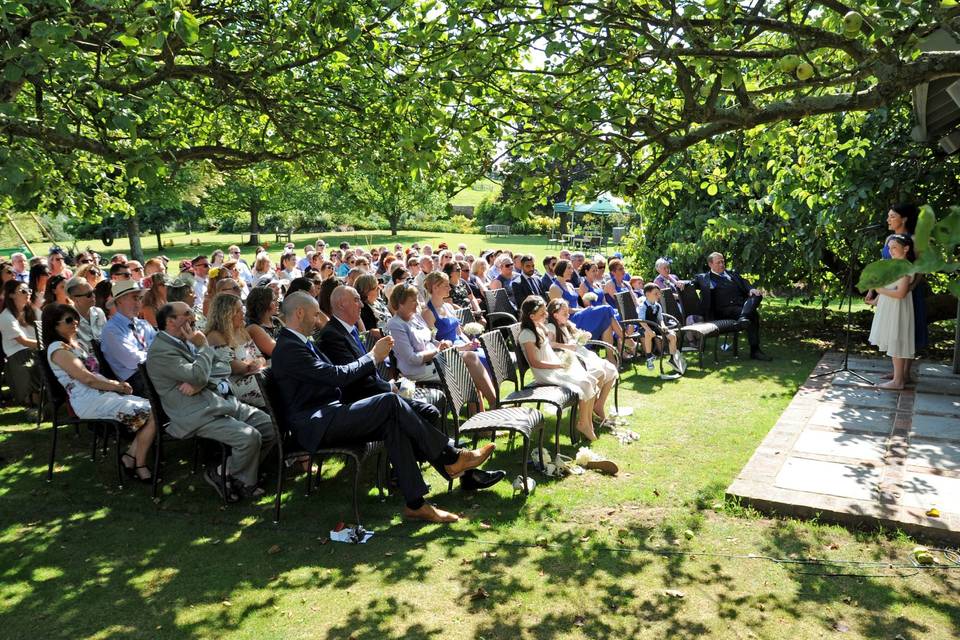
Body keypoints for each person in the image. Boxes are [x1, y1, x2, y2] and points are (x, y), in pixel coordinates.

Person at [271, 291, 495, 523]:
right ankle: (451, 457)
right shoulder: (289, 348)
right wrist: (372, 357)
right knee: (389, 402)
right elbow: (337, 376)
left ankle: (416, 504)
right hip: (314, 425)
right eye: (315, 314)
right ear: (299, 313)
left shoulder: (298, 343)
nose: (318, 319)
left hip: (328, 415)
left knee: (393, 422)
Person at [147, 302, 276, 501]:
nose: (194, 317)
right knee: (249, 438)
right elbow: (200, 373)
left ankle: (226, 473)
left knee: (269, 427)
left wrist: (200, 379)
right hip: (195, 412)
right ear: (171, 321)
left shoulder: (186, 339)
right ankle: (244, 481)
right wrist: (204, 349)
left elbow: (223, 367)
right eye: (187, 313)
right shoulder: (162, 351)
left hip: (216, 401)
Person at [43, 303, 156, 481]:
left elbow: (95, 375)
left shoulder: (76, 344)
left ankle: (130, 457)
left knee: (154, 409)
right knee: (152, 412)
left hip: (102, 396)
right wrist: (117, 386)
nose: (75, 323)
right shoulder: (58, 349)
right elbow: (87, 379)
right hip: (88, 401)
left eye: (76, 318)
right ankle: (140, 464)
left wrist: (117, 384)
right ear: (54, 325)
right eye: (69, 320)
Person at [518, 296, 600, 441]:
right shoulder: (527, 334)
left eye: (545, 312)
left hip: (554, 366)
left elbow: (549, 346)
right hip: (545, 373)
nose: (546, 315)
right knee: (586, 383)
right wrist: (559, 365)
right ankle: (583, 424)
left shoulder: (539, 327)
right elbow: (535, 362)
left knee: (592, 379)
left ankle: (587, 423)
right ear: (531, 316)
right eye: (542, 314)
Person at [868, 204, 928, 383]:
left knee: (908, 330)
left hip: (909, 290)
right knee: (894, 329)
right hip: (890, 288)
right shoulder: (890, 238)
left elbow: (921, 269)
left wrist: (909, 288)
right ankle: (898, 373)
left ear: (904, 219)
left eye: (892, 216)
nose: (888, 219)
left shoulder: (915, 240)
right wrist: (875, 290)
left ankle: (904, 374)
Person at [546, 297, 617, 425]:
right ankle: (589, 410)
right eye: (565, 313)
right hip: (570, 357)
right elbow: (549, 344)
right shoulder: (551, 326)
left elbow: (579, 334)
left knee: (611, 369)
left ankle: (598, 405)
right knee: (599, 372)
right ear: (555, 315)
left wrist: (584, 335)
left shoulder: (566, 324)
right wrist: (567, 346)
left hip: (580, 353)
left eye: (568, 312)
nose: (568, 315)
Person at [692, 252, 771, 361]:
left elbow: (744, 282)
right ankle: (755, 351)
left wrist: (751, 289)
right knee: (753, 315)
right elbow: (691, 283)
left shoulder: (731, 274)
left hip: (741, 306)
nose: (721, 264)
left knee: (757, 295)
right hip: (722, 311)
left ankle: (743, 317)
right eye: (718, 262)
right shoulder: (704, 278)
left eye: (722, 261)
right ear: (710, 264)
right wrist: (681, 282)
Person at [548, 259, 626, 361]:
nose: (572, 270)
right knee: (606, 309)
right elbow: (561, 312)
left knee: (607, 319)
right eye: (569, 268)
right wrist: (582, 310)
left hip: (578, 314)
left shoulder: (570, 285)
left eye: (572, 268)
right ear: (561, 268)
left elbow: (576, 305)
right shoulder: (554, 288)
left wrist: (584, 309)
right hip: (569, 320)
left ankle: (611, 357)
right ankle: (625, 339)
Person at [867, 234, 916, 390]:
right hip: (890, 307)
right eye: (889, 248)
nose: (891, 250)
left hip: (898, 308)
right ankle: (897, 377)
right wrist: (875, 301)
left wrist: (879, 289)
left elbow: (901, 293)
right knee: (893, 341)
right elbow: (888, 289)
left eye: (895, 247)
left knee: (897, 340)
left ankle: (898, 381)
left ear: (906, 248)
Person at [205, 293, 266, 408]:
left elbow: (260, 355)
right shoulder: (215, 336)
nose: (243, 313)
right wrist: (255, 365)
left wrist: (259, 362)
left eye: (242, 309)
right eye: (238, 311)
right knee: (270, 379)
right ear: (225, 314)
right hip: (233, 385)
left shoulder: (242, 331)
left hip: (254, 373)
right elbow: (234, 367)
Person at [100, 280, 156, 397]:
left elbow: (161, 344)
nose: (138, 303)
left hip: (152, 372)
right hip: (136, 381)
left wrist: (152, 351)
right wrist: (156, 352)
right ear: (119, 301)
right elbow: (133, 361)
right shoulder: (111, 330)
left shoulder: (143, 324)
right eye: (135, 298)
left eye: (140, 299)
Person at [0, 280, 40, 409]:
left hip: (36, 350)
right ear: (11, 295)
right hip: (19, 355)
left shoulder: (33, 311)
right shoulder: (5, 317)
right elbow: (23, 341)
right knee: (34, 366)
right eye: (23, 291)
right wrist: (47, 344)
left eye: (29, 290)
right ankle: (33, 402)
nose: (28, 293)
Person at [637, 283, 683, 371]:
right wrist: (649, 330)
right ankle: (649, 357)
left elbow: (660, 319)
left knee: (672, 336)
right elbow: (641, 321)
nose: (658, 295)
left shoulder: (658, 306)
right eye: (656, 293)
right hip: (645, 327)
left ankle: (673, 358)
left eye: (659, 293)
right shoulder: (643, 306)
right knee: (648, 334)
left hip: (656, 326)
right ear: (647, 294)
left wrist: (663, 326)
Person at [66, 277, 106, 351]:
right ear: (74, 298)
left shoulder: (99, 312)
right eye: (89, 294)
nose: (94, 296)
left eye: (93, 291)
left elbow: (107, 339)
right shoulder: (68, 318)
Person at [246, 286, 283, 359]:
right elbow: (278, 352)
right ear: (263, 303)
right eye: (274, 300)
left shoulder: (275, 320)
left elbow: (292, 338)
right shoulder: (254, 328)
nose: (277, 303)